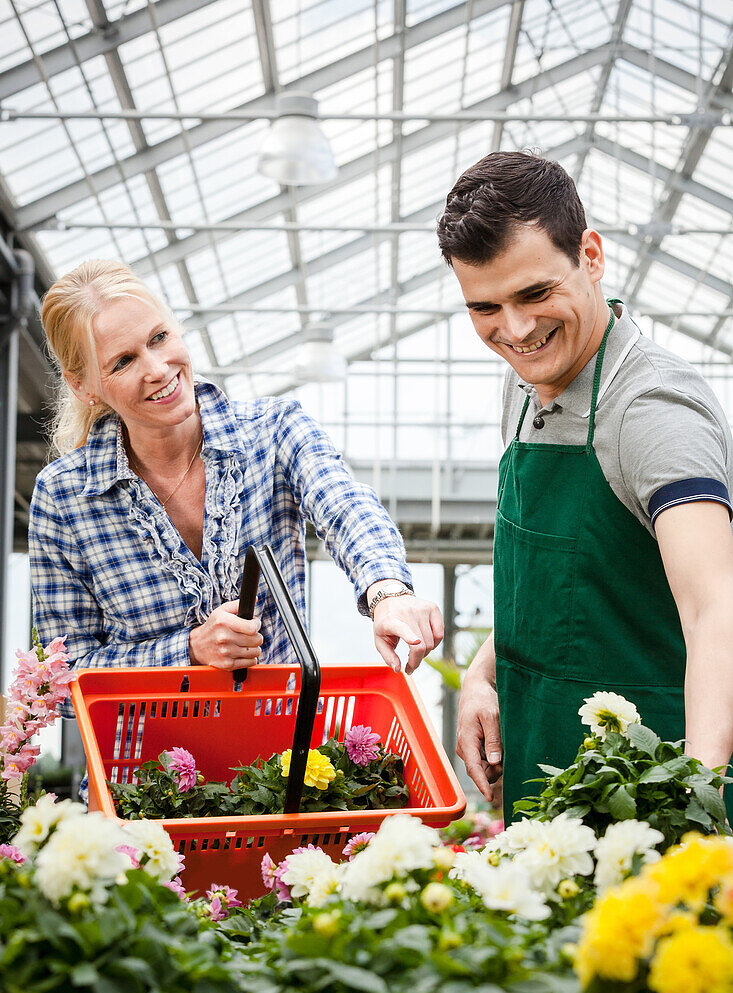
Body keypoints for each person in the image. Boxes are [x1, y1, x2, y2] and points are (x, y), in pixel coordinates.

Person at [437, 151, 733, 822]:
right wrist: (483, 673)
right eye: (485, 307)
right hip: (545, 782)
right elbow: (559, 580)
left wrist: (701, 798)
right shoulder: (523, 379)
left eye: (534, 294)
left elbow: (715, 610)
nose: (513, 330)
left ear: (590, 256)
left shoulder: (652, 407)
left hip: (649, 791)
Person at [29, 260, 444, 695]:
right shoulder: (63, 498)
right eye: (124, 361)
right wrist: (188, 650)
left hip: (279, 747)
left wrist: (387, 592)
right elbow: (62, 678)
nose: (157, 368)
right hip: (149, 759)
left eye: (159, 337)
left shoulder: (274, 430)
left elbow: (345, 506)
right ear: (83, 386)